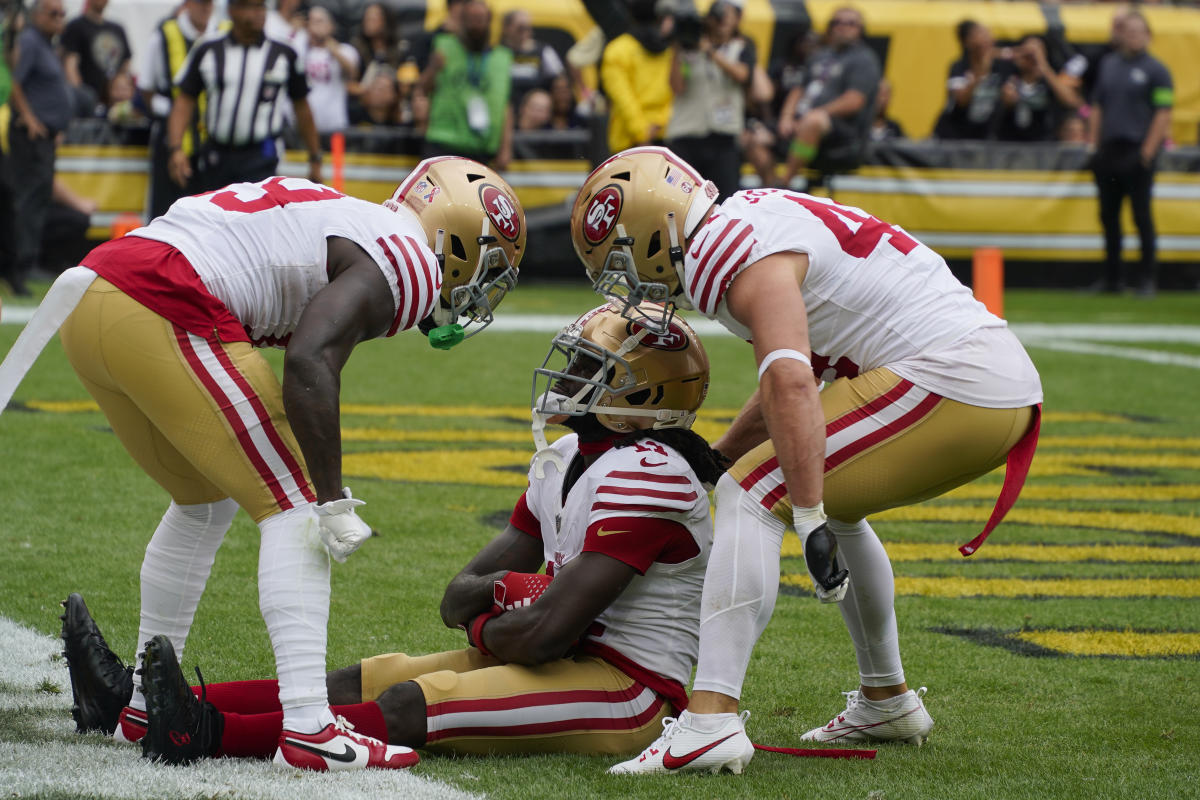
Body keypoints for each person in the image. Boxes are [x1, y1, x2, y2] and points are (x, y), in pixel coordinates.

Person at [3, 157, 526, 770]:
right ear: (454, 238)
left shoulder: (352, 217)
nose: (477, 287)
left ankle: (142, 707)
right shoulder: (409, 254)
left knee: (204, 500)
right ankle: (309, 728)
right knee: (297, 509)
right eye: (485, 267)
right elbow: (309, 359)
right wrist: (329, 497)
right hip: (164, 296)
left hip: (98, 290)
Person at [61, 302, 723, 769]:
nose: (569, 376)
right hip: (553, 654)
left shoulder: (653, 474)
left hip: (625, 689)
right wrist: (495, 609)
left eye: (591, 366)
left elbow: (548, 632)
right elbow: (455, 597)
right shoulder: (565, 458)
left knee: (409, 702)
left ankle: (202, 732)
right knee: (362, 678)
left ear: (639, 398)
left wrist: (490, 621)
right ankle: (133, 705)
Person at [569, 146, 1042, 774]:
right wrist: (716, 455)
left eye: (622, 263)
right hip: (985, 379)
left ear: (657, 235)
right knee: (795, 488)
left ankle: (709, 722)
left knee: (754, 492)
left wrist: (805, 511)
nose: (629, 286)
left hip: (954, 377)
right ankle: (886, 697)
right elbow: (796, 378)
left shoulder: (725, 252)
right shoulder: (750, 218)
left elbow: (792, 383)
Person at [165, 0, 323, 193]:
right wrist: (176, 148)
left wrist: (315, 157)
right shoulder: (208, 49)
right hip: (217, 153)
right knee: (215, 217)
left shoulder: (284, 53)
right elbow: (184, 101)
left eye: (261, 6)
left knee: (256, 218)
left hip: (261, 154)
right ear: (232, 10)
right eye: (251, 6)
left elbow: (302, 107)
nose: (258, 13)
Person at [1088, 11, 1172, 297]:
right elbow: (1097, 106)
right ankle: (1113, 278)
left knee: (1141, 217)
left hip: (1136, 150)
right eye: (1130, 31)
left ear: (1148, 35)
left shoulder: (1157, 70)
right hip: (1109, 151)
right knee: (1108, 217)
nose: (1134, 36)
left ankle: (1147, 278)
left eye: (1139, 31)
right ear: (1121, 34)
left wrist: (1147, 152)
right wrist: (1093, 145)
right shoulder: (1109, 65)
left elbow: (1163, 112)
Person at [5, 0, 73, 297]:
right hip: (30, 137)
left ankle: (29, 261)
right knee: (28, 201)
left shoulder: (46, 44)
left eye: (62, 14)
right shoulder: (31, 42)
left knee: (38, 199)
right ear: (36, 15)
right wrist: (31, 119)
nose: (59, 19)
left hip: (45, 137)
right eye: (53, 14)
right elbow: (14, 84)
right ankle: (19, 266)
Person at [137, 0, 221, 219]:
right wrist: (164, 110)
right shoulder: (165, 33)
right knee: (166, 211)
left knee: (211, 213)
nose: (205, 8)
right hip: (171, 137)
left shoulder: (222, 33)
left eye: (210, 3)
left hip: (213, 140)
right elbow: (146, 87)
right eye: (201, 2)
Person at [665, 0, 756, 200]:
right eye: (719, 17)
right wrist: (679, 47)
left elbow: (743, 75)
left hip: (723, 136)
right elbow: (676, 87)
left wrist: (710, 52)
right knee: (680, 200)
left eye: (728, 17)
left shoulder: (740, 46)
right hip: (686, 135)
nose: (722, 23)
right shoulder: (687, 50)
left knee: (726, 199)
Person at [778, 7, 880, 185]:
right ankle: (763, 189)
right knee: (754, 136)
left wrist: (813, 115)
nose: (843, 27)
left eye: (851, 23)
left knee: (814, 122)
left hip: (843, 133)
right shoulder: (820, 55)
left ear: (860, 29)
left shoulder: (864, 59)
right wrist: (786, 116)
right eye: (837, 22)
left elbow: (854, 101)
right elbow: (798, 89)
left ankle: (784, 183)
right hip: (803, 123)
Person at [421, 0, 513, 169]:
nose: (476, 25)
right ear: (462, 21)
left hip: (482, 148)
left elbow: (505, 105)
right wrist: (432, 69)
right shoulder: (443, 46)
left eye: (480, 19)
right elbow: (424, 89)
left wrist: (505, 148)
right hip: (443, 143)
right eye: (471, 19)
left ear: (488, 22)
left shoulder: (502, 58)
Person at [600, 0, 674, 154]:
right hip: (665, 137)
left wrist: (641, 133)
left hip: (627, 143)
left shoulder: (616, 50)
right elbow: (676, 93)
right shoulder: (672, 50)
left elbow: (623, 99)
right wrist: (661, 122)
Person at [932, 19, 1012, 141]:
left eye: (987, 33)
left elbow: (1009, 98)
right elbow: (961, 100)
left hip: (983, 137)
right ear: (967, 42)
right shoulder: (959, 67)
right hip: (953, 136)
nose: (987, 38)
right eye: (980, 34)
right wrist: (980, 72)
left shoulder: (1000, 67)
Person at [995, 35, 1081, 143]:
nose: (1032, 56)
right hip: (1011, 143)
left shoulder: (1051, 80)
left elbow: (1071, 101)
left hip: (1044, 144)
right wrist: (1018, 54)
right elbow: (990, 53)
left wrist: (1044, 66)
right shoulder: (1011, 77)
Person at [61, 0, 130, 112]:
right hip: (89, 103)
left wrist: (123, 93)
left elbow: (125, 66)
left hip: (115, 104)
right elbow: (70, 67)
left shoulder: (118, 29)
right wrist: (82, 99)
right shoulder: (76, 26)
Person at [305, 5, 360, 135]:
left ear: (331, 26)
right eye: (311, 21)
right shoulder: (301, 50)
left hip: (335, 125)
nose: (314, 26)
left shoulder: (345, 50)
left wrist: (330, 45)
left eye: (319, 21)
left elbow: (352, 73)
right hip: (304, 127)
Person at [500, 8, 564, 109]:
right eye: (520, 28)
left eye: (528, 28)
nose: (525, 33)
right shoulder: (498, 53)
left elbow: (560, 82)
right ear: (506, 28)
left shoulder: (543, 51)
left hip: (536, 113)